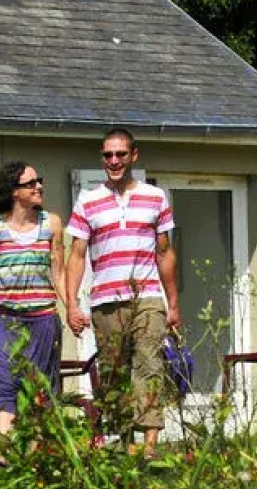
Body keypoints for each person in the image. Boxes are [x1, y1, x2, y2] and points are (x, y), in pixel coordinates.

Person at [65, 128, 180, 458]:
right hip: (105, 299)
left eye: (120, 154)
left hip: (147, 295)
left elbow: (164, 252)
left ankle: (150, 447)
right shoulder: (88, 200)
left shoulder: (155, 197)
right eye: (107, 155)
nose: (113, 161)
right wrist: (72, 304)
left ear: (134, 156)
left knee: (149, 364)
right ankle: (128, 444)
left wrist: (173, 303)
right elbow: (76, 254)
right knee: (115, 372)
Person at [0, 161, 66, 436]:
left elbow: (58, 272)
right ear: (14, 191)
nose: (38, 187)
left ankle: (34, 456)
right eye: (30, 183)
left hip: (43, 319)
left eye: (39, 181)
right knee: (4, 385)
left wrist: (72, 308)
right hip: (4, 319)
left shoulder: (51, 224)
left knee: (39, 388)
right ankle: (4, 454)